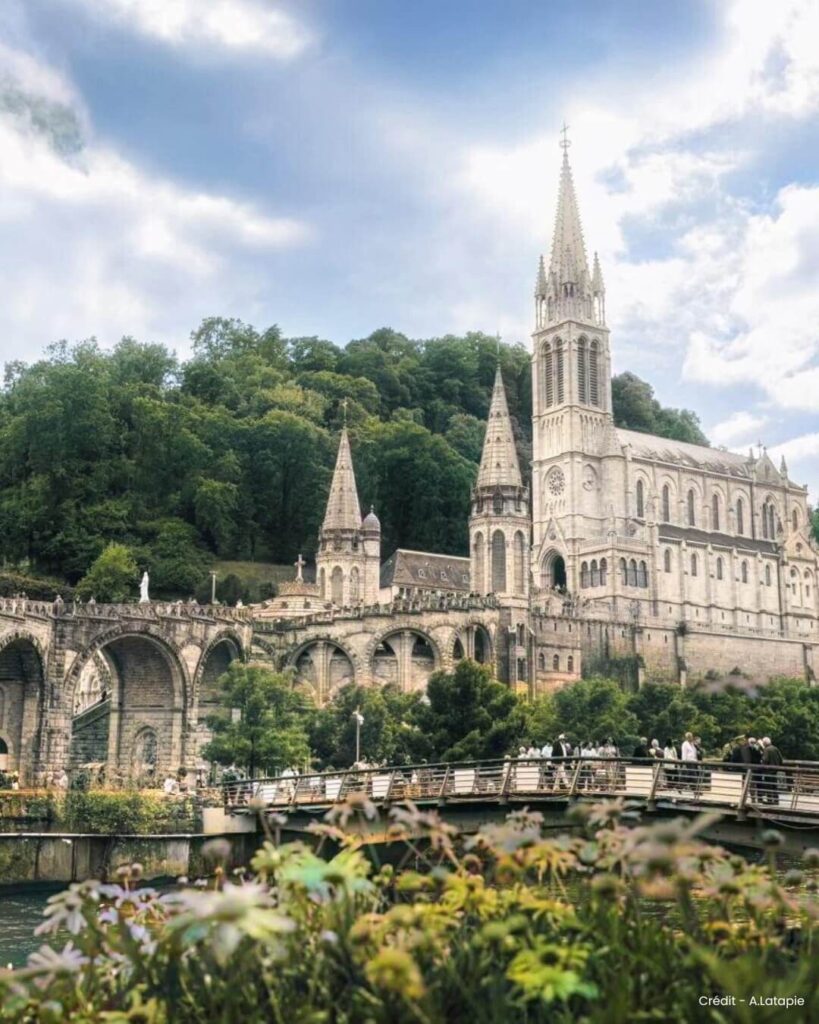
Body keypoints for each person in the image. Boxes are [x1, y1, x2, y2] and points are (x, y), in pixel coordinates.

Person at [761, 736, 784, 803]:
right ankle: (776, 800)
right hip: (775, 770)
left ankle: (770, 800)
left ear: (765, 743)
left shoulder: (766, 749)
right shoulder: (775, 748)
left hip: (768, 770)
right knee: (774, 786)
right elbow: (781, 759)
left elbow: (765, 760)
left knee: (768, 786)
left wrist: (762, 762)